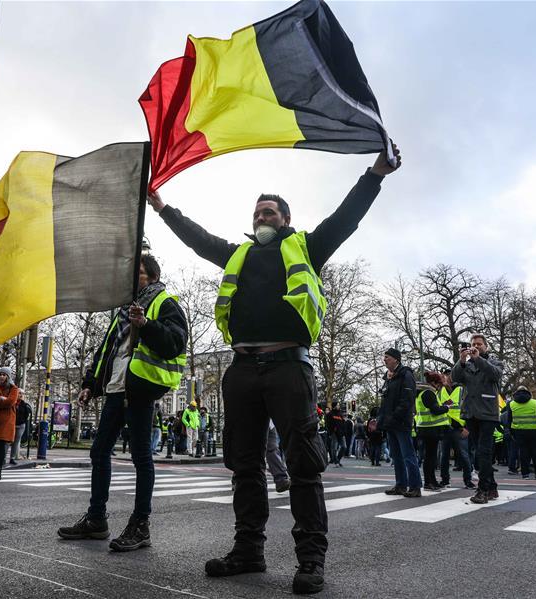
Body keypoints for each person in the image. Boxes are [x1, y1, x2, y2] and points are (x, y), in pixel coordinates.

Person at [147, 143, 400, 595]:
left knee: (303, 465)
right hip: (243, 369)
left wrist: (376, 173)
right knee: (244, 464)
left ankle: (310, 560)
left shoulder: (307, 247)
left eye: (270, 212)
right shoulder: (237, 255)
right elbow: (198, 239)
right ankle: (248, 550)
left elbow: (346, 218)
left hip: (288, 367)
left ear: (285, 218)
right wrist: (163, 206)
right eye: (257, 213)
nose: (262, 218)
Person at [57, 254, 188, 552]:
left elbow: (175, 343)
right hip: (117, 389)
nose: (132, 279)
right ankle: (96, 519)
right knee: (99, 451)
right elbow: (107, 351)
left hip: (140, 390)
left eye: (138, 274)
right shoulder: (122, 311)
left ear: (152, 276)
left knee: (142, 457)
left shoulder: (165, 302)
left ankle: (140, 524)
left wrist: (147, 324)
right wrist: (90, 384)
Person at [452, 335, 504, 504]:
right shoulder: (467, 365)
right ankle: (492, 487)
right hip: (471, 413)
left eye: (479, 344)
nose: (476, 346)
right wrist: (461, 360)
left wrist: (478, 359)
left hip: (488, 413)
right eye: (473, 344)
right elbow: (455, 378)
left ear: (486, 347)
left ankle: (483, 489)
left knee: (484, 451)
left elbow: (495, 375)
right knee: (480, 453)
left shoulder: (494, 362)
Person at [378, 348, 421, 498]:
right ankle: (401, 485)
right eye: (384, 357)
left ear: (396, 359)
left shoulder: (406, 375)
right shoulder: (388, 378)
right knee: (396, 456)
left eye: (387, 357)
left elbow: (407, 400)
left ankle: (415, 486)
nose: (385, 360)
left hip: (401, 422)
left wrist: (394, 416)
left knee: (408, 455)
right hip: (391, 423)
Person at [438, 372, 474, 489]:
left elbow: (470, 408)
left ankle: (468, 480)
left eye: (446, 375)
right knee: (444, 457)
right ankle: (445, 480)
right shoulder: (440, 392)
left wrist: (468, 428)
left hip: (459, 429)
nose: (444, 378)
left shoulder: (462, 391)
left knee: (464, 455)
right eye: (443, 375)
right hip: (445, 428)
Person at [503, 386, 536, 480]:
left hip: (519, 432)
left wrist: (511, 432)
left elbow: (509, 420)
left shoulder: (512, 404)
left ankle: (525, 474)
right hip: (534, 431)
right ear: (528, 392)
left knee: (523, 453)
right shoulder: (534, 402)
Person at [417, 371, 450, 492]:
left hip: (426, 429)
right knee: (430, 457)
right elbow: (435, 410)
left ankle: (431, 481)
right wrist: (446, 408)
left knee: (430, 457)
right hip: (430, 429)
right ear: (434, 383)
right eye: (439, 384)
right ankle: (429, 482)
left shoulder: (425, 393)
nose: (440, 387)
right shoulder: (429, 393)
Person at [11, 398, 31, 465]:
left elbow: (27, 414)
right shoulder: (12, 402)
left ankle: (12, 458)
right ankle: (3, 458)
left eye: (21, 394)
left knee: (16, 441)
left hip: (20, 424)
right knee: (8, 441)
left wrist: (23, 421)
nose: (20, 395)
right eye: (19, 393)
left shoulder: (24, 404)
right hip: (12, 424)